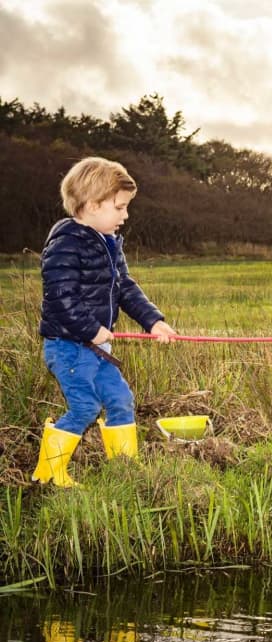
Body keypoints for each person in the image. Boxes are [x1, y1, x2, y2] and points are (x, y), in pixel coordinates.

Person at [33, 156, 176, 487]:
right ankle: (49, 474)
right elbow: (60, 296)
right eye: (120, 207)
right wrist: (90, 329)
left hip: (98, 347)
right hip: (69, 347)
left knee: (120, 400)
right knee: (85, 406)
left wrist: (152, 321)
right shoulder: (66, 243)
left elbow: (124, 287)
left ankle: (124, 470)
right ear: (93, 205)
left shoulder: (110, 243)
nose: (125, 216)